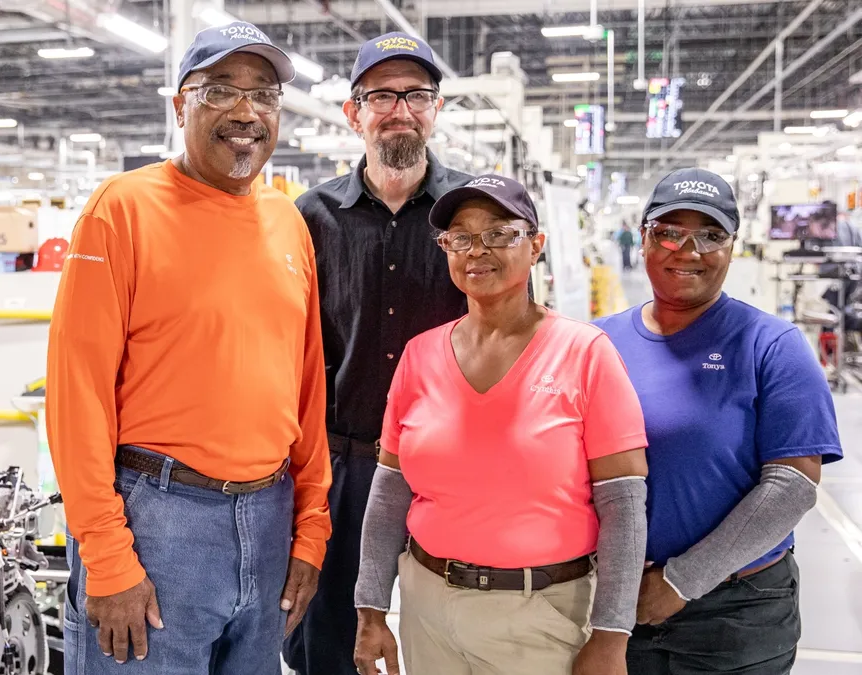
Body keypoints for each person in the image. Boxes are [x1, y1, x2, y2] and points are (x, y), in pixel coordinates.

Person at [46, 22, 332, 674]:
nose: (245, 111)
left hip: (269, 518)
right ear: (180, 104)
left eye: (263, 95)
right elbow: (76, 395)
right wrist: (108, 555)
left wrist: (310, 527)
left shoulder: (288, 222)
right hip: (157, 522)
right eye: (221, 90)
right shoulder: (121, 211)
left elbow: (307, 385)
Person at [354, 174, 651, 675]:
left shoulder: (585, 354)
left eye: (499, 233)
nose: (478, 250)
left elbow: (623, 506)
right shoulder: (419, 355)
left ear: (535, 245)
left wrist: (611, 634)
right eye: (461, 237)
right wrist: (371, 610)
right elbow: (388, 495)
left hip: (540, 617)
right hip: (428, 610)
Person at [593, 168, 844, 674]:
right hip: (615, 604)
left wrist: (682, 581)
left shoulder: (770, 345)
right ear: (643, 238)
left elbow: (793, 485)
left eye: (710, 235)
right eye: (669, 231)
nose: (688, 250)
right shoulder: (597, 342)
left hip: (734, 614)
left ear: (732, 247)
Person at [280, 32, 473, 675]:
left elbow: (511, 338)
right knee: (325, 646)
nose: (400, 109)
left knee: (443, 642)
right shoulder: (310, 217)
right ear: (353, 111)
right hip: (340, 467)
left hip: (448, 470)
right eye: (382, 95)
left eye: (416, 94)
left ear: (436, 108)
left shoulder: (471, 213)